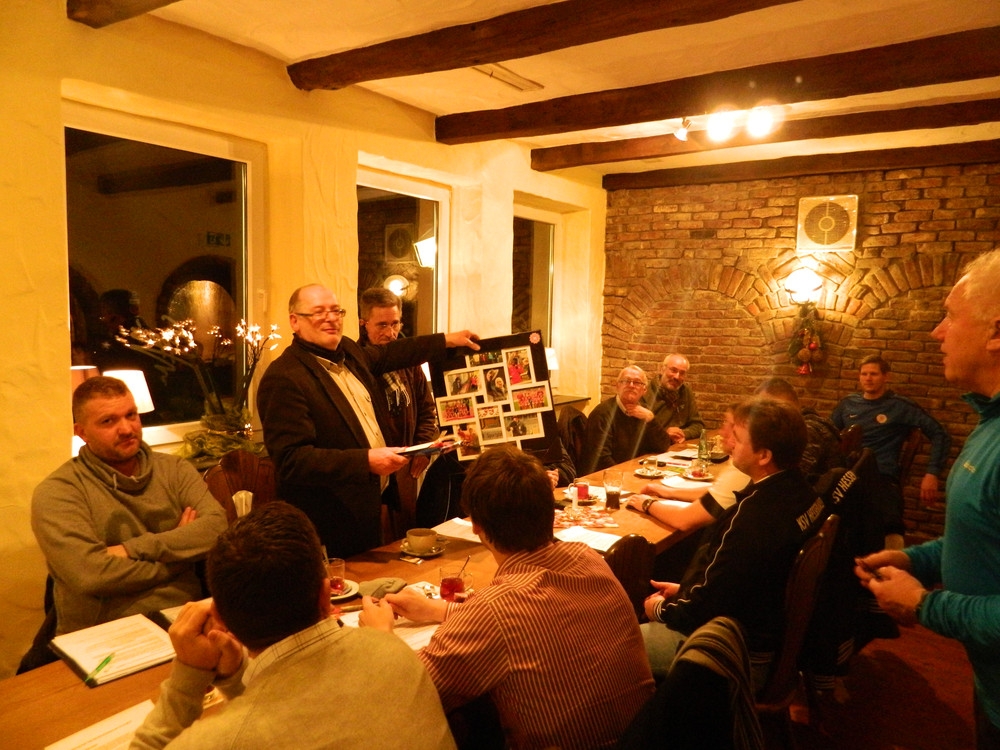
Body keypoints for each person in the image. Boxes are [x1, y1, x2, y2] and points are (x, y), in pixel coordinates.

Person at [361, 447, 655, 749]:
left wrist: (380, 637)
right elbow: (529, 618)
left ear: (476, 525)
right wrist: (437, 609)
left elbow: (409, 694)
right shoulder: (586, 557)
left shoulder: (494, 610)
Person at [130, 502, 455, 750]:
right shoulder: (393, 651)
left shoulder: (222, 740)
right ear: (326, 596)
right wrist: (235, 675)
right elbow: (300, 706)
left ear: (222, 620)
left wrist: (188, 674)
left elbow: (276, 718)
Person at [856, 248, 1000, 749]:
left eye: (950, 316)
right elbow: (983, 535)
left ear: (996, 333)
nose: (938, 332)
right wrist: (914, 559)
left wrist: (924, 605)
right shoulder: (990, 421)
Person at [256, 283, 479, 558]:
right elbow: (292, 460)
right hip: (326, 522)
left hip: (367, 508)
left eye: (336, 311)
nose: (330, 318)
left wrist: (446, 340)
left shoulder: (348, 353)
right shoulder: (285, 377)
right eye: (318, 312)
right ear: (295, 321)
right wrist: (366, 461)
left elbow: (393, 352)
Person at [640, 398, 826, 691]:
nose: (730, 445)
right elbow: (744, 581)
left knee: (609, 644)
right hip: (766, 637)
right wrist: (684, 589)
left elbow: (699, 613)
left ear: (763, 455)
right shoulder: (805, 493)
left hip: (735, 654)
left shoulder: (753, 516)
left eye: (738, 439)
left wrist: (660, 609)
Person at [31, 376, 227, 637]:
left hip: (185, 618)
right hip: (102, 633)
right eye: (108, 421)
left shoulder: (175, 469)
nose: (126, 429)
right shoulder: (58, 491)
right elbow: (91, 575)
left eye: (131, 415)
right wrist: (181, 555)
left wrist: (130, 549)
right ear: (82, 432)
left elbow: (217, 527)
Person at [831, 353, 951, 546]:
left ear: (886, 377)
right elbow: (830, 434)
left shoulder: (899, 406)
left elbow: (939, 434)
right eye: (864, 374)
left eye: (874, 374)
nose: (868, 378)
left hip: (882, 475)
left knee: (889, 518)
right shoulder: (848, 404)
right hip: (847, 473)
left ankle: (892, 557)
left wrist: (932, 473)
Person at [358, 287, 439, 537]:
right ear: (363, 324)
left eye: (395, 324)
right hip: (373, 466)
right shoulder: (357, 363)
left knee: (406, 531)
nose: (390, 333)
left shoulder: (408, 361)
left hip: (406, 463)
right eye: (382, 325)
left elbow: (426, 408)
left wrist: (423, 448)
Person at [626, 403, 749, 534]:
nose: (722, 431)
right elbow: (714, 492)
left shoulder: (741, 469)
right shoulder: (740, 467)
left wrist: (647, 503)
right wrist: (667, 491)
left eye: (731, 426)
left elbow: (684, 520)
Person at [579, 365, 669, 474]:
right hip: (606, 476)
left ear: (644, 390)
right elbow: (601, 459)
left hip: (635, 471)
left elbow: (663, 446)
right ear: (617, 386)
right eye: (626, 381)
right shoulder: (602, 414)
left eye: (637, 382)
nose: (631, 385)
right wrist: (626, 475)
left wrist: (651, 419)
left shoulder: (645, 411)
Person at [756, 377, 845, 484]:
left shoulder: (809, 430)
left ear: (783, 405)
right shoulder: (796, 425)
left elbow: (791, 478)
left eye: (764, 408)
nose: (760, 415)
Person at [641, 353, 705, 445]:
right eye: (673, 370)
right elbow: (638, 434)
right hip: (654, 449)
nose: (677, 377)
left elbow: (698, 425)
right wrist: (664, 434)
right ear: (662, 369)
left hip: (679, 447)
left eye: (682, 373)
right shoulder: (645, 393)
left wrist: (683, 433)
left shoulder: (685, 391)